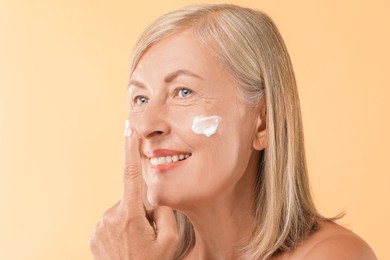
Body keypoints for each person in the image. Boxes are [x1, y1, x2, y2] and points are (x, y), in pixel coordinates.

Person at [89, 4, 376, 259]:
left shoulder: (334, 254)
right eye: (141, 99)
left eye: (183, 92)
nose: (147, 126)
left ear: (263, 122)